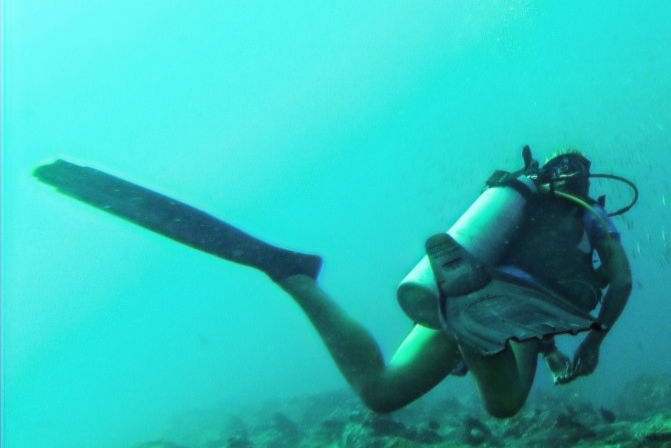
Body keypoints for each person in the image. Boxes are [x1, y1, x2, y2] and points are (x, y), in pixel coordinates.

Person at [33, 147, 634, 418]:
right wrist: (594, 341)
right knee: (503, 406)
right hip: (505, 314)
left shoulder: (514, 209)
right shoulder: (588, 216)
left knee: (380, 392)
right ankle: (474, 322)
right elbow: (620, 283)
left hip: (455, 289)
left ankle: (297, 278)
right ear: (586, 184)